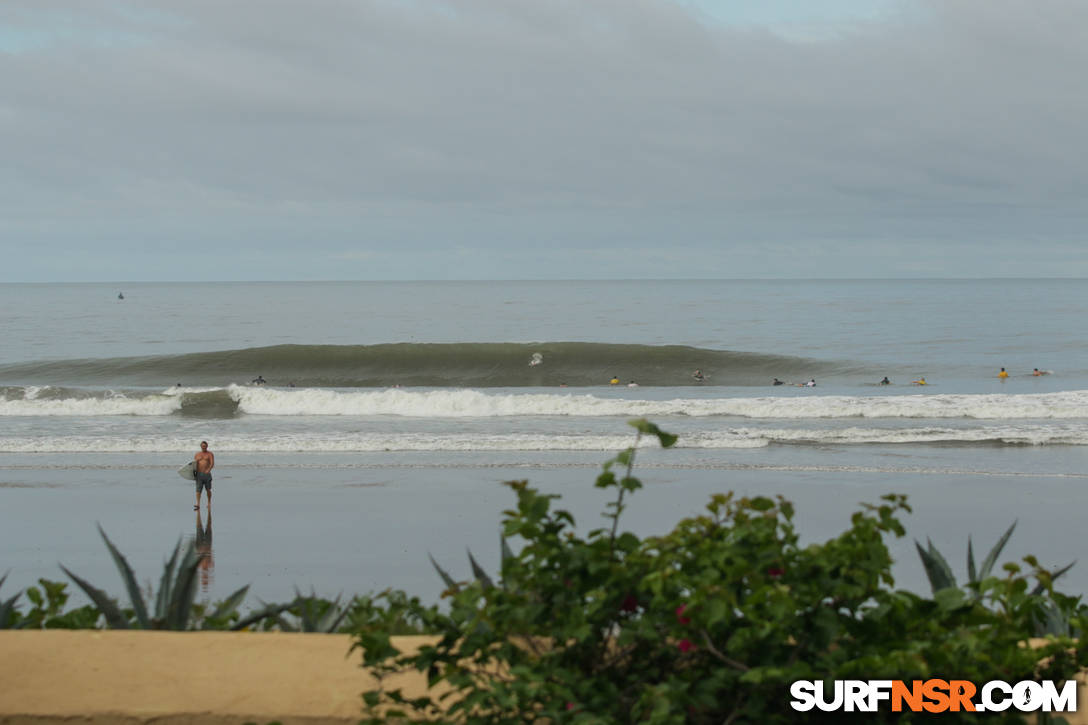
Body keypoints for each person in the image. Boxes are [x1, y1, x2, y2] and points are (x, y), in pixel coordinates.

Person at [194, 440, 214, 510]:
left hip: (207, 474)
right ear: (200, 446)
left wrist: (209, 470)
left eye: (205, 446)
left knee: (208, 489)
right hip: (199, 474)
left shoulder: (210, 454)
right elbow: (194, 465)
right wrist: (194, 473)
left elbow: (212, 463)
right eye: (202, 446)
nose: (203, 447)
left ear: (207, 446)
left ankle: (209, 502)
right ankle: (198, 504)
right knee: (198, 490)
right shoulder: (197, 454)